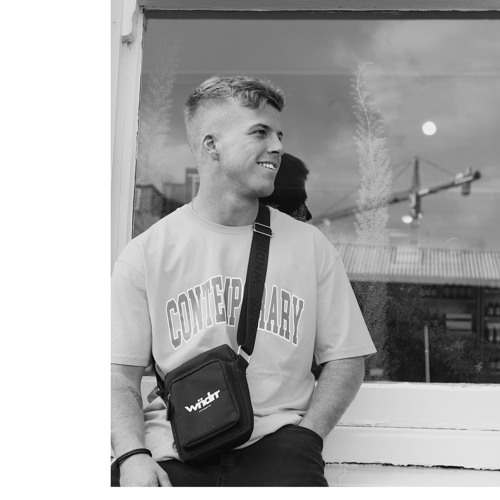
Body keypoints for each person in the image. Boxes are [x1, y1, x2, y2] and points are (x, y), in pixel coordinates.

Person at [111, 74, 376, 487]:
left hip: (280, 450)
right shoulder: (146, 253)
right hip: (173, 456)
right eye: (260, 132)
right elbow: (118, 377)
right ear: (211, 145)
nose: (278, 146)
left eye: (279, 134)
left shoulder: (310, 245)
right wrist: (132, 455)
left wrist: (308, 437)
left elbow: (347, 359)